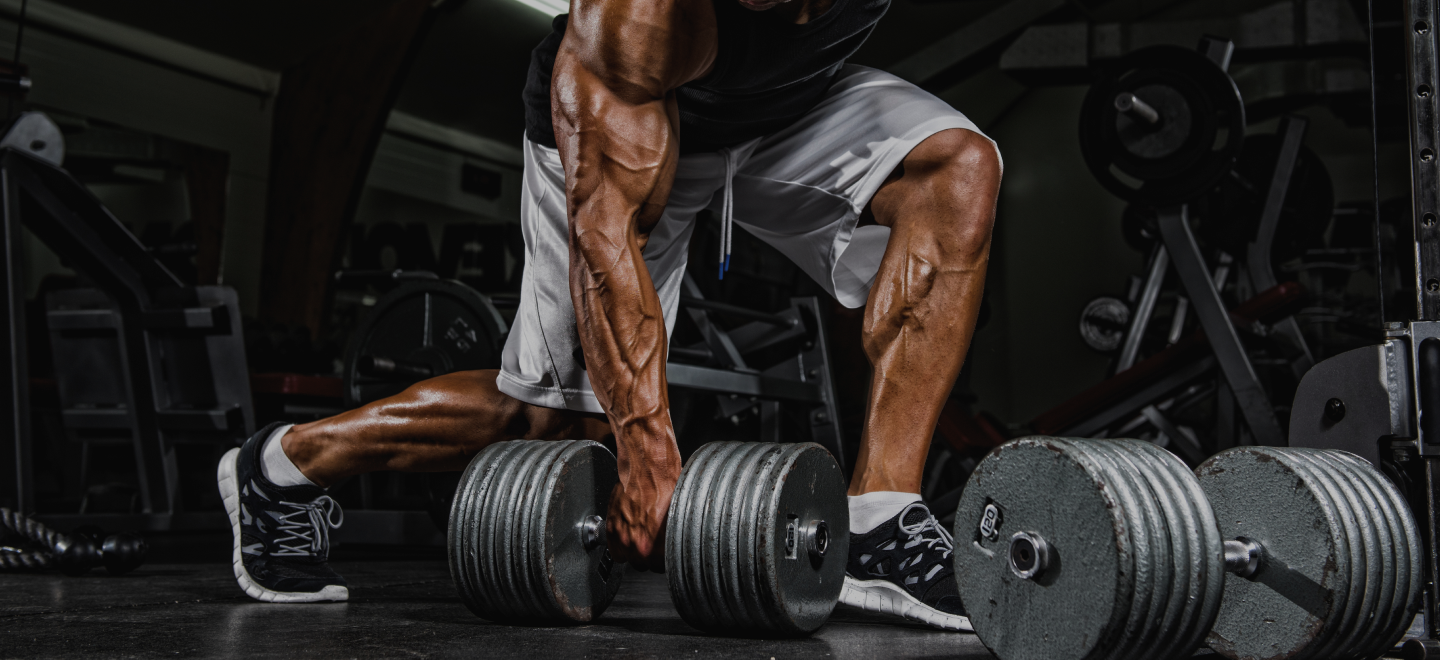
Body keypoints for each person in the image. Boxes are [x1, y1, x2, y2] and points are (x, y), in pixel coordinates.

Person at [217, 0, 1000, 630]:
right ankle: (284, 466)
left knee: (957, 168)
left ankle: (879, 518)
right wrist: (647, 449)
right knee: (552, 423)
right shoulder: (636, 19)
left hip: (783, 111)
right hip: (627, 119)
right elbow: (605, 241)